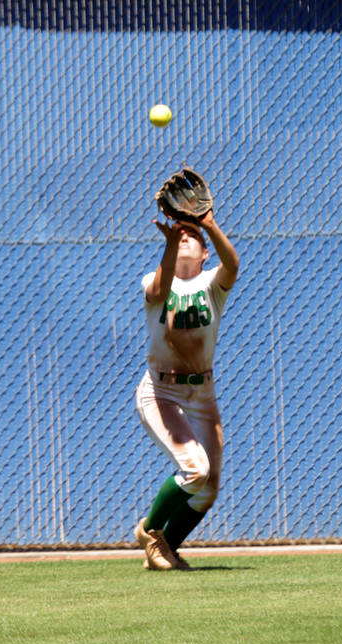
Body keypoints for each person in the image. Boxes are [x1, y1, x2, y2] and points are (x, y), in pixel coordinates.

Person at [133, 208, 240, 570]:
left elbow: (233, 265)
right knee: (195, 469)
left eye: (191, 236)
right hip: (160, 392)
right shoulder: (156, 279)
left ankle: (166, 549)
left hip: (202, 394)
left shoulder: (212, 285)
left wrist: (208, 223)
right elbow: (160, 290)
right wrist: (169, 243)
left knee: (208, 488)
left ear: (205, 252)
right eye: (178, 234)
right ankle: (149, 532)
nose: (184, 237)